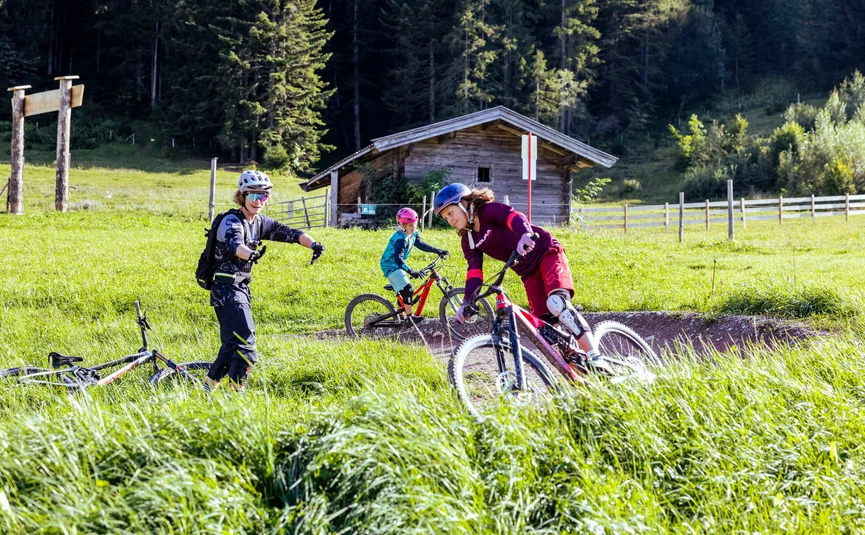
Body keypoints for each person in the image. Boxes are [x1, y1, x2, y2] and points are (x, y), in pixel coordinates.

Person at [433, 183, 607, 368]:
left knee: (557, 303)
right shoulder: (468, 240)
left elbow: (514, 216)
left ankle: (595, 357)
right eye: (445, 218)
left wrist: (525, 234)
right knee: (545, 330)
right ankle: (580, 370)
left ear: (464, 204)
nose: (449, 220)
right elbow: (474, 271)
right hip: (528, 272)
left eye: (450, 213)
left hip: (546, 252)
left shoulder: (487, 211)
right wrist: (467, 301)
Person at [205, 170, 325, 391]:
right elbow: (236, 245)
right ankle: (236, 397)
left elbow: (290, 233)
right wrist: (250, 254)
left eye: (263, 196)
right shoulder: (231, 221)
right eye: (252, 195)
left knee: (231, 348)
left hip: (240, 289)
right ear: (242, 196)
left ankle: (207, 392)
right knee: (246, 349)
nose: (258, 201)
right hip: (227, 289)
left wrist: (314, 244)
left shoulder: (258, 222)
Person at [379, 207, 449, 325]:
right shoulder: (400, 239)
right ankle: (410, 318)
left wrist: (438, 251)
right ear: (403, 226)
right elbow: (398, 259)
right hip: (390, 265)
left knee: (404, 290)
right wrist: (411, 271)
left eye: (415, 224)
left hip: (397, 264)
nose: (414, 227)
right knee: (409, 288)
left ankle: (400, 317)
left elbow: (421, 245)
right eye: (410, 225)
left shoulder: (413, 233)